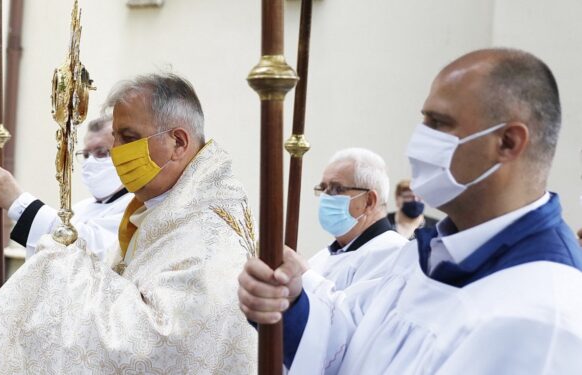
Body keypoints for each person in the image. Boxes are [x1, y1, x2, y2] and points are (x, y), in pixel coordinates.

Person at [238, 48, 582, 374]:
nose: (418, 141)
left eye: (438, 124)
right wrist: (292, 302)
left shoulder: (544, 318)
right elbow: (354, 348)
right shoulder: (427, 254)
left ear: (507, 142)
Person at [0, 73, 257, 374]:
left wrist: (61, 269)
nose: (118, 152)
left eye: (128, 137)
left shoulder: (207, 231)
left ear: (178, 143)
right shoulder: (163, 209)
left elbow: (162, 344)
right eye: (114, 138)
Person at [0, 116, 134, 258]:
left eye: (101, 152)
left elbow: (91, 250)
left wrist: (19, 203)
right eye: (86, 155)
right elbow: (50, 252)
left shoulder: (135, 207)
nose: (90, 162)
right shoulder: (80, 208)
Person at [305, 148, 407, 292]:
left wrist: (305, 277)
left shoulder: (394, 255)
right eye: (323, 188)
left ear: (369, 201)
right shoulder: (322, 257)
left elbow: (348, 313)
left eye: (336, 189)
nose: (325, 197)